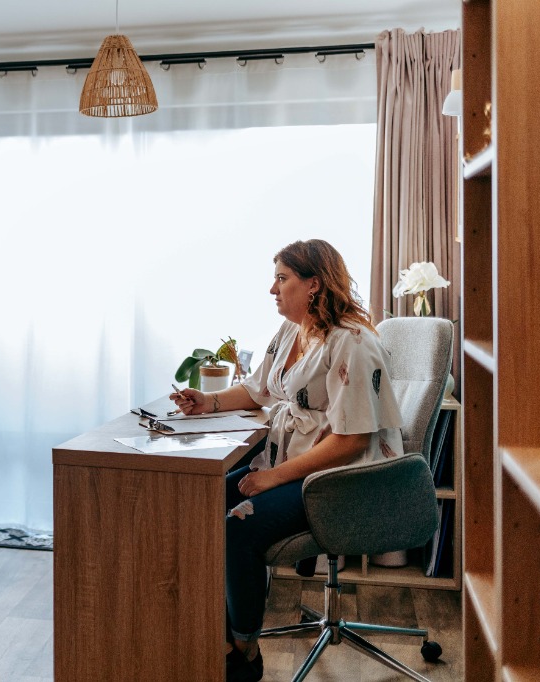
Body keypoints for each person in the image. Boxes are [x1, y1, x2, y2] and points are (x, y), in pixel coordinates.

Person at [171, 239, 404, 682]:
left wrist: (273, 477)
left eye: (282, 279)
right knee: (199, 501)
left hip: (339, 479)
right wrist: (207, 401)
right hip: (294, 465)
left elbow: (351, 441)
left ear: (314, 284)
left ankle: (243, 650)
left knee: (237, 527)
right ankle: (217, 636)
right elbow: (258, 389)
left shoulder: (352, 342)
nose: (272, 289)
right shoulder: (291, 331)